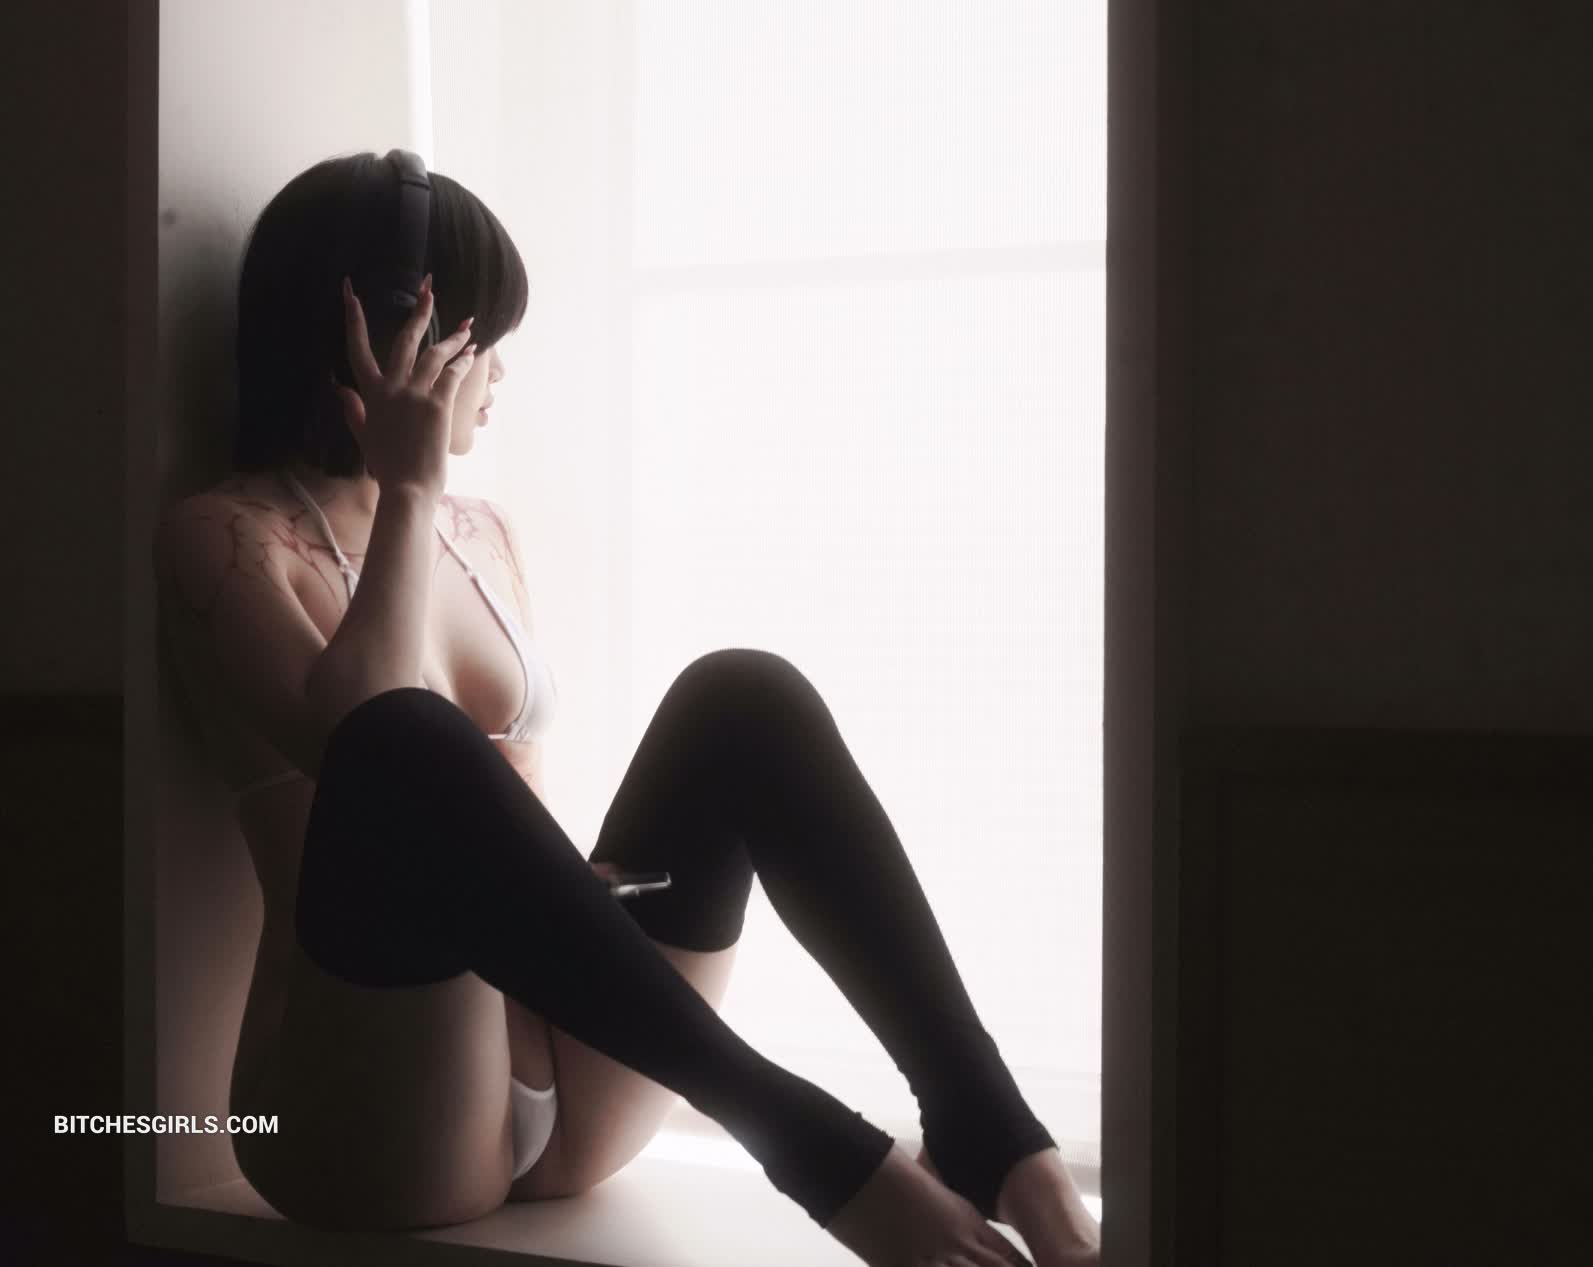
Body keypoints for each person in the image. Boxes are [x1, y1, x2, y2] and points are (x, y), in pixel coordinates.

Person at [152, 153, 1102, 1267]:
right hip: (376, 1098)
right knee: (405, 740)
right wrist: (404, 484)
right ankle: (821, 1152)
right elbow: (360, 743)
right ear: (397, 338)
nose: (499, 373)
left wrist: (567, 887)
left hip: (577, 1064)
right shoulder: (226, 537)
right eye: (483, 339)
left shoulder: (481, 532)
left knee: (742, 694)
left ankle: (996, 1136)